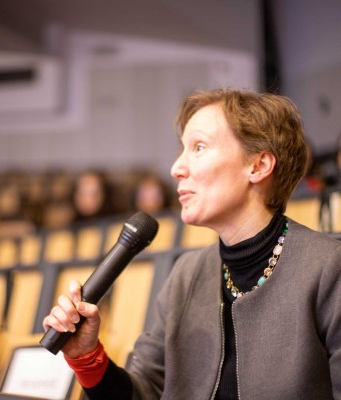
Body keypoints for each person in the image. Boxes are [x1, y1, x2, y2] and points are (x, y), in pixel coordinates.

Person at [43, 88, 341, 399]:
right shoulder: (186, 274)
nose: (176, 168)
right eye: (182, 149)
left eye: (199, 147)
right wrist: (88, 358)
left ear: (258, 166)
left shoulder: (328, 270)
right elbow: (145, 392)